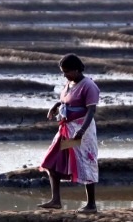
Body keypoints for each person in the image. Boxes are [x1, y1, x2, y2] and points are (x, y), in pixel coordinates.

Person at [39, 53, 100, 211]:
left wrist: (81, 131)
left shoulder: (89, 86)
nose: (65, 75)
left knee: (85, 161)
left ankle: (91, 204)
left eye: (67, 71)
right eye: (63, 72)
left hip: (80, 131)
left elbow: (91, 111)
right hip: (66, 129)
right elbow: (66, 100)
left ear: (77, 69)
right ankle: (56, 200)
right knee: (52, 161)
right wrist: (55, 106)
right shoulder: (69, 84)